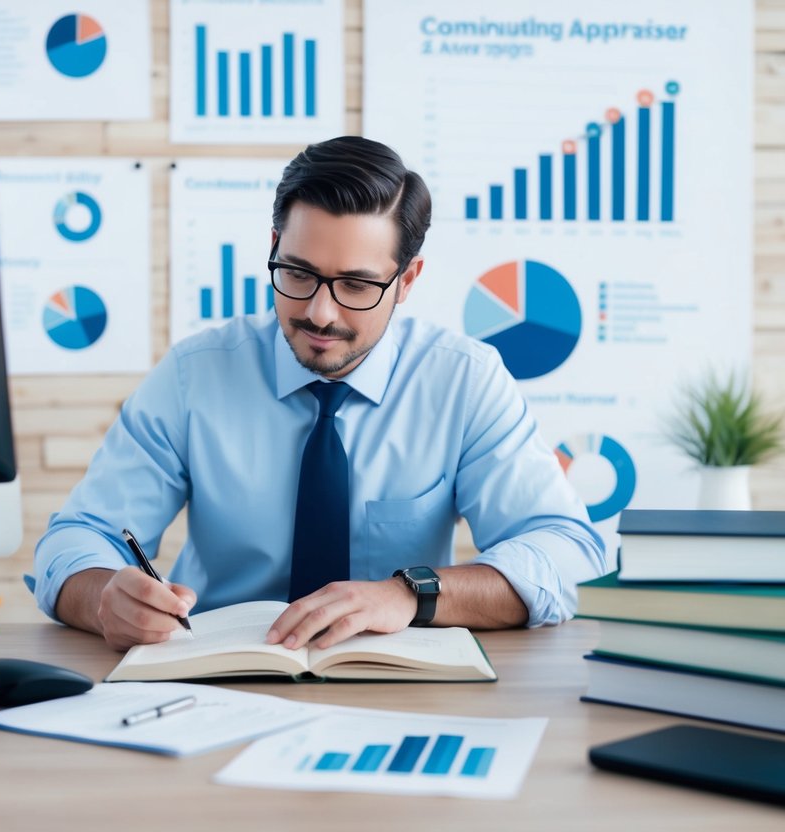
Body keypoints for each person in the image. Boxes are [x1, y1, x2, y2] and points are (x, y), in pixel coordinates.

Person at [30, 136, 606, 651]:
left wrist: (409, 595)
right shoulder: (194, 375)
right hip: (220, 677)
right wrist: (105, 594)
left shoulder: (465, 381)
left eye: (356, 284)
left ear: (407, 281)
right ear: (275, 244)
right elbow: (77, 540)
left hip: (401, 685)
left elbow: (564, 553)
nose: (319, 313)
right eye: (298, 273)